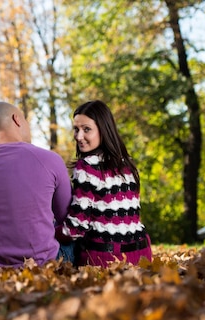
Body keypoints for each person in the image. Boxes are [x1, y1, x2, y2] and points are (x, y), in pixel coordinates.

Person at [0, 101, 73, 268]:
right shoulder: (49, 159)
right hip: (43, 264)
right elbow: (66, 218)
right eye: (25, 120)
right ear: (17, 119)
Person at [56, 100, 152, 266]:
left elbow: (77, 227)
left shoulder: (87, 166)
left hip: (105, 259)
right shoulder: (128, 164)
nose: (79, 136)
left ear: (103, 129)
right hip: (142, 256)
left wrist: (50, 233)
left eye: (87, 129)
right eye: (76, 129)